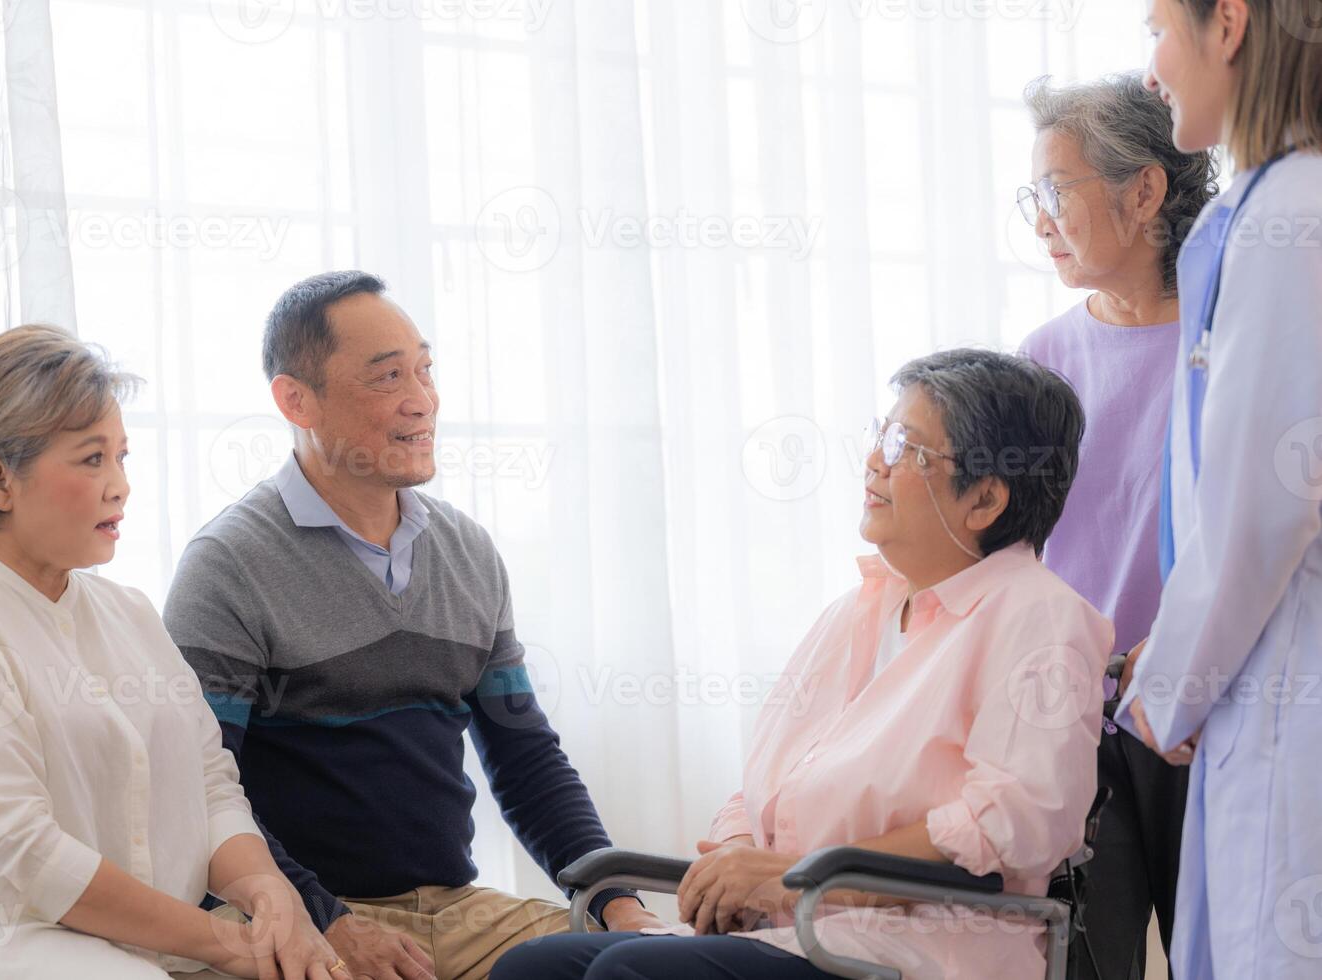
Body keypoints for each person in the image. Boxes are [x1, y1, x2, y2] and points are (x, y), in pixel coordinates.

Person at [492, 349, 1114, 980]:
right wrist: (733, 863)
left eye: (905, 446)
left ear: (983, 500)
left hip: (923, 950)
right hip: (798, 932)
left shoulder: (1039, 619)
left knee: (627, 976)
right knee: (536, 968)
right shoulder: (865, 607)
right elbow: (767, 789)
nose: (874, 460)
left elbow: (1017, 824)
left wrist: (789, 880)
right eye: (881, 433)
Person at [163, 272, 660, 980]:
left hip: (456, 913)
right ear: (295, 399)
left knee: (641, 966)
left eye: (425, 371)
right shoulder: (228, 566)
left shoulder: (468, 553)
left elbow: (527, 761)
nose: (421, 401)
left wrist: (618, 903)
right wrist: (325, 920)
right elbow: (199, 795)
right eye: (388, 376)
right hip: (292, 916)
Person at [0, 326, 344, 979]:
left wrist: (267, 891)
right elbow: (25, 859)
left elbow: (207, 780)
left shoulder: (128, 614)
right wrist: (231, 947)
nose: (121, 486)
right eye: (91, 459)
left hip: (136, 948)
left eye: (122, 456)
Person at [1115, 1, 1322, 978]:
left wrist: (1168, 687)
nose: (1152, 66)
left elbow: (1262, 505)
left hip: (1286, 697)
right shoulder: (1270, 205)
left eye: (1158, 26)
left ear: (1229, 22)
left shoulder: (1295, 213)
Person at [1017, 71, 1218, 979]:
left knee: (1220, 955)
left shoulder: (1227, 344)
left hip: (1204, 710)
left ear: (1145, 192)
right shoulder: (1043, 362)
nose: (1040, 219)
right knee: (1085, 963)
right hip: (1077, 722)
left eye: (1057, 192)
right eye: (1033, 197)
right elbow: (1014, 555)